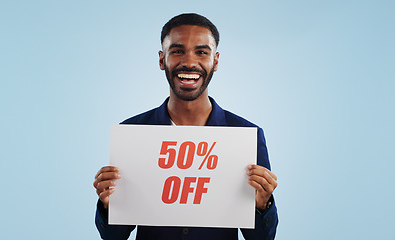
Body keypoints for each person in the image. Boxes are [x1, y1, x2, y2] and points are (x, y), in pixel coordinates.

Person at [93, 13, 278, 240]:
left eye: (201, 52)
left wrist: (262, 205)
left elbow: (262, 238)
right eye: (178, 51)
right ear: (162, 60)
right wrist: (109, 206)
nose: (189, 62)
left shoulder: (247, 136)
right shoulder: (133, 133)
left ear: (215, 61)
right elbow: (113, 236)